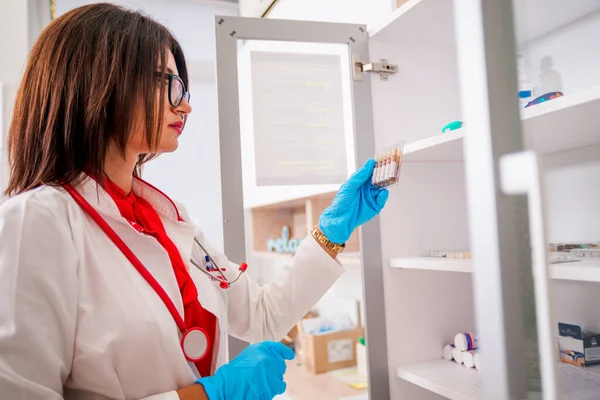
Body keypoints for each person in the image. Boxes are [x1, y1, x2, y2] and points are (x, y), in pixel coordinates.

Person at [0, 4, 389, 400]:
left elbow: (261, 315)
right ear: (101, 81)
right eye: (168, 83)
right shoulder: (35, 222)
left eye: (181, 88)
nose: (184, 105)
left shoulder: (167, 219)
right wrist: (209, 396)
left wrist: (331, 232)